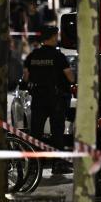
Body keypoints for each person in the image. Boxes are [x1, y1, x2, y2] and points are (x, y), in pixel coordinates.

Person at [23, 26, 75, 174]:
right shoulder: (58, 56)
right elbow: (70, 77)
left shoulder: (33, 55)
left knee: (36, 132)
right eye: (56, 35)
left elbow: (26, 77)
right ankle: (58, 164)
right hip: (56, 99)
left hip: (38, 99)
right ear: (52, 37)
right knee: (57, 132)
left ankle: (34, 165)